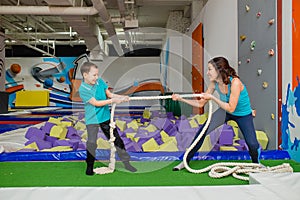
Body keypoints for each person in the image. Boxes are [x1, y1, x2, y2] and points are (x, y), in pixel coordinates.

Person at [172, 56, 261, 171]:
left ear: (219, 70)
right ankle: (185, 160)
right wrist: (181, 99)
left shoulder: (235, 83)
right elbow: (200, 104)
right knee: (202, 132)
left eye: (210, 69)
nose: (207, 73)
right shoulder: (214, 83)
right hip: (225, 111)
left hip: (242, 114)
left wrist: (213, 98)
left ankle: (256, 164)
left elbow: (231, 108)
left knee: (252, 144)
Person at [79, 61, 137, 175]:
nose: (96, 77)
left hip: (105, 117)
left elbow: (110, 95)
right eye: (94, 75)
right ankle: (89, 166)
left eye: (97, 74)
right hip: (92, 119)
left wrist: (122, 97)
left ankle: (126, 163)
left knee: (117, 140)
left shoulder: (99, 81)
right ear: (85, 75)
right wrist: (113, 101)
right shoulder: (83, 89)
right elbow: (96, 103)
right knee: (91, 143)